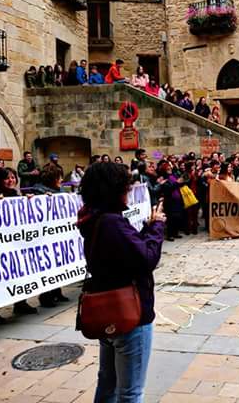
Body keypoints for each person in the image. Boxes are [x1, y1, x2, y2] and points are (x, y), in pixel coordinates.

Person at [77, 162, 165, 402]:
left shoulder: (95, 218)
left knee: (108, 382)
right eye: (125, 187)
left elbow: (130, 252)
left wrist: (147, 229)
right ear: (113, 190)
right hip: (129, 313)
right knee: (131, 391)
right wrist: (157, 226)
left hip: (109, 308)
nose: (128, 191)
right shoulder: (111, 222)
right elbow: (146, 258)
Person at [0, 168, 38, 325]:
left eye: (13, 177)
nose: (11, 180)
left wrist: (30, 201)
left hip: (16, 243)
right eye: (7, 178)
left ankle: (20, 303)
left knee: (20, 274)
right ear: (0, 180)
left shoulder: (15, 195)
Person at [32, 166, 70, 307]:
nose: (61, 180)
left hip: (57, 232)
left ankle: (56, 291)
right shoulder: (39, 192)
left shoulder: (58, 190)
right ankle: (46, 295)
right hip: (45, 234)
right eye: (58, 177)